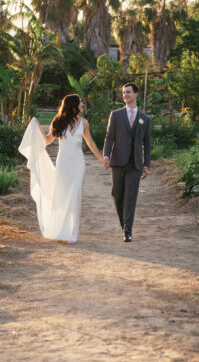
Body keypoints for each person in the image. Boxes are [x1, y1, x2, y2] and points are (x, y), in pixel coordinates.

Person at [18, 94, 107, 244]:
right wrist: (36, 125)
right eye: (80, 103)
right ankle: (61, 229)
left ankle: (73, 233)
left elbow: (90, 143)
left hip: (78, 163)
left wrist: (101, 159)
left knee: (75, 195)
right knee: (62, 195)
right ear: (73, 106)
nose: (82, 105)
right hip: (63, 164)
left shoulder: (84, 123)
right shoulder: (58, 122)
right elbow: (47, 141)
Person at [102, 82, 151, 242]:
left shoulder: (145, 119)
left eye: (128, 92)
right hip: (117, 162)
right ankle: (124, 224)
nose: (125, 95)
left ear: (136, 94)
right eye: (123, 93)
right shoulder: (115, 115)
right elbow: (109, 137)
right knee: (117, 195)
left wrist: (146, 165)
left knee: (131, 197)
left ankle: (127, 230)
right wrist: (106, 155)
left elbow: (147, 144)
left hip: (135, 164)